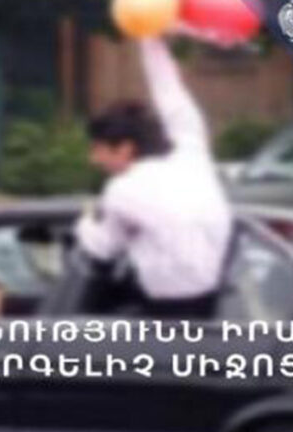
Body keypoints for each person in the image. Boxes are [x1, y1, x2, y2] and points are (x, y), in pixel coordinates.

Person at [74, 38, 232, 319]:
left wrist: (85, 219)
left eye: (98, 150)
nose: (93, 160)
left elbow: (102, 248)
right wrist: (150, 38)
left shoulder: (123, 190)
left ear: (125, 149)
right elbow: (170, 92)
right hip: (218, 309)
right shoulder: (191, 154)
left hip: (167, 318)